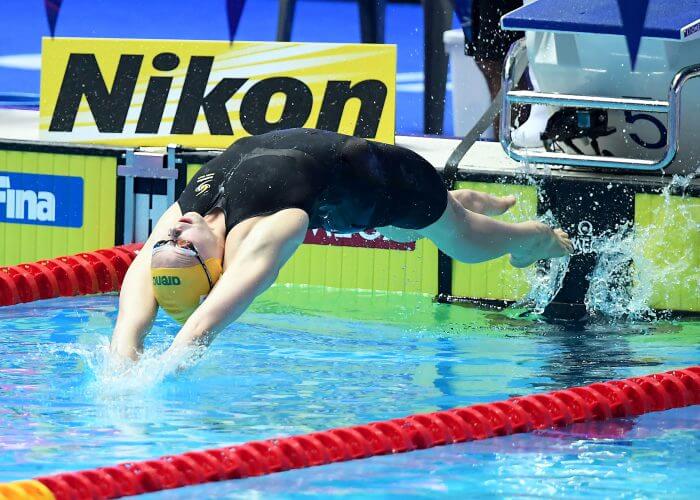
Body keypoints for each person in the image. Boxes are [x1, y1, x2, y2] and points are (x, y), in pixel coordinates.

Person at [110, 128, 572, 361]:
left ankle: (501, 224)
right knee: (450, 239)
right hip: (386, 187)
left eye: (166, 240)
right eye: (182, 245)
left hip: (378, 181)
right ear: (218, 263)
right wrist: (172, 362)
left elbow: (139, 280)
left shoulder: (198, 209)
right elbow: (212, 316)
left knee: (455, 236)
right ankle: (519, 231)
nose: (172, 232)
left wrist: (126, 349)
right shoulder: (272, 229)